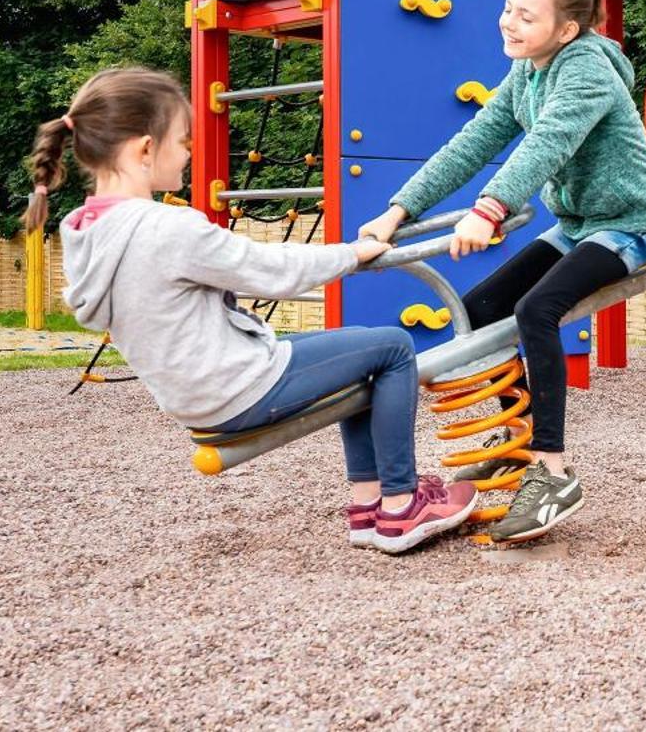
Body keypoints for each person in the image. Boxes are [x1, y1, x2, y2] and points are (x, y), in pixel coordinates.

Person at [35, 66, 478, 555]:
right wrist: (352, 255)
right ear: (144, 149)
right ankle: (401, 505)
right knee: (393, 348)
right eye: (182, 141)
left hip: (195, 397)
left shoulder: (84, 230)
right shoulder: (165, 229)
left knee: (361, 348)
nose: (188, 151)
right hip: (238, 387)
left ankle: (367, 508)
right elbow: (271, 269)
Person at [359, 0, 646, 544]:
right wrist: (396, 211)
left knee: (537, 310)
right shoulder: (529, 71)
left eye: (525, 16)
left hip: (633, 224)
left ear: (566, 30)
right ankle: (515, 449)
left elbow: (547, 144)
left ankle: (553, 472)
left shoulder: (587, 72)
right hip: (580, 223)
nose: (508, 22)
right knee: (480, 307)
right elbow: (472, 143)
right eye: (508, 9)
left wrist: (490, 209)